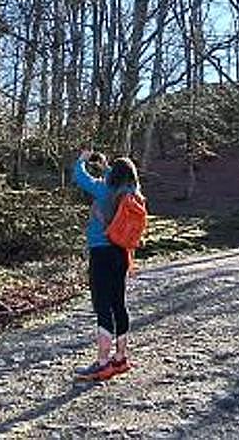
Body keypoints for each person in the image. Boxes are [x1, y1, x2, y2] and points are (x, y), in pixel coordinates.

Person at [72, 147, 142, 381]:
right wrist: (105, 165)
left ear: (114, 175)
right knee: (118, 304)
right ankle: (120, 358)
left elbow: (80, 177)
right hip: (122, 253)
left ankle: (102, 363)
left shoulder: (103, 190)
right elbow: (119, 174)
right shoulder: (133, 193)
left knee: (102, 305)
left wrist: (82, 160)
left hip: (101, 252)